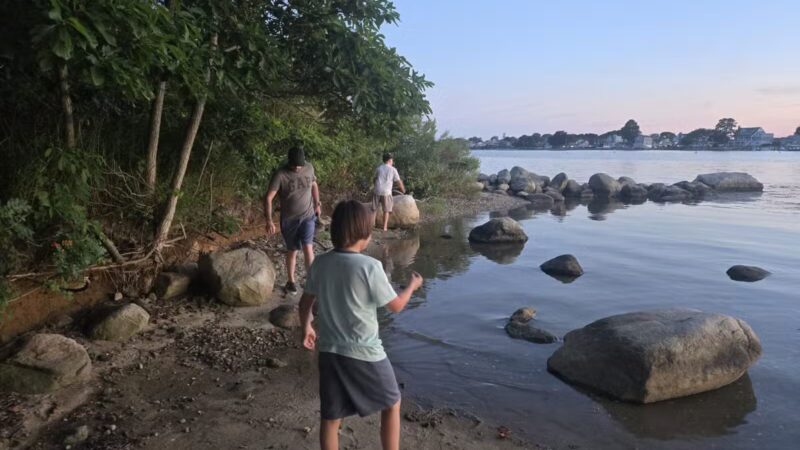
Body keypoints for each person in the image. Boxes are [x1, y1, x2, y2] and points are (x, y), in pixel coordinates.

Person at [299, 200, 423, 450]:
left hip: (330, 352)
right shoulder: (370, 266)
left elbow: (305, 304)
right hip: (365, 352)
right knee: (392, 402)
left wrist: (307, 328)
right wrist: (412, 286)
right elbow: (396, 306)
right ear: (364, 234)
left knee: (331, 417)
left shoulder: (320, 263)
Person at [265, 145, 322, 294]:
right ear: (288, 161)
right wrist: (269, 220)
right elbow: (269, 198)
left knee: (308, 247)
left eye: (300, 165)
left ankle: (312, 282)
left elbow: (314, 185)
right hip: (289, 220)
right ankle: (291, 282)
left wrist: (317, 203)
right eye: (294, 165)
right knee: (292, 250)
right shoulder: (280, 174)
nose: (297, 168)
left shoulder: (309, 168)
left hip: (308, 216)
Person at [372, 153, 405, 231]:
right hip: (386, 192)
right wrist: (403, 190)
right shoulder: (393, 169)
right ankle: (384, 228)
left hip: (377, 190)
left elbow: (374, 179)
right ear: (390, 160)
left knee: (374, 209)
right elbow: (398, 181)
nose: (392, 161)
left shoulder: (379, 168)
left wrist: (375, 185)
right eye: (392, 160)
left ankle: (371, 225)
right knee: (386, 210)